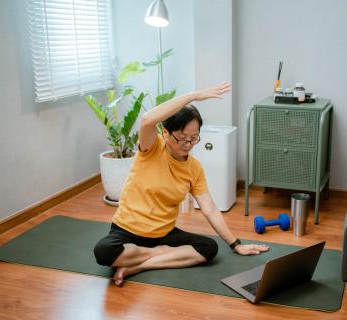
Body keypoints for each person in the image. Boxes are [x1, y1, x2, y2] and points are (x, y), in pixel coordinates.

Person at [94, 82, 269, 286]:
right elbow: (147, 119)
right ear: (166, 133)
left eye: (194, 138)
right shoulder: (152, 148)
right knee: (103, 251)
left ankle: (140, 265)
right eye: (182, 138)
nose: (188, 144)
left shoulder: (194, 168)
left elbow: (210, 209)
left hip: (163, 234)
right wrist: (193, 95)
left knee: (208, 248)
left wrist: (236, 244)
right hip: (127, 230)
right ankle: (160, 254)